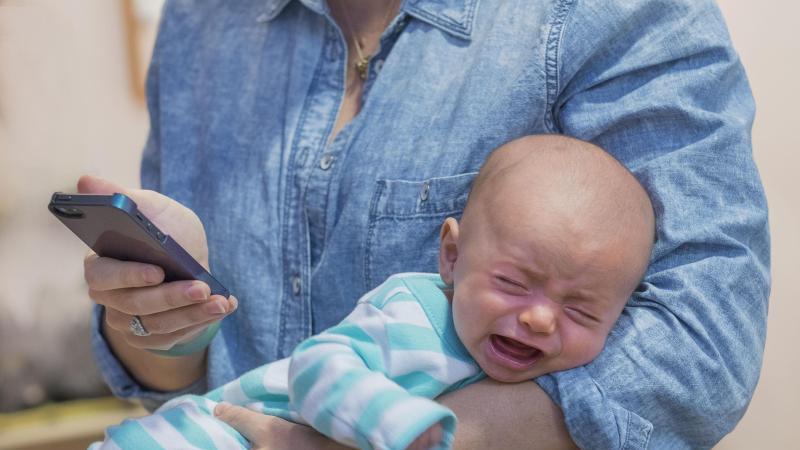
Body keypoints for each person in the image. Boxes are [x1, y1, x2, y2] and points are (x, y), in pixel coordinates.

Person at [80, 0, 770, 448]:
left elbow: (702, 348)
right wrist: (158, 320)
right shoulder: (203, 21)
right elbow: (173, 375)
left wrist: (410, 439)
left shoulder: (613, 15)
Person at [90, 135, 656, 450]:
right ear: (452, 257)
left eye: (580, 310)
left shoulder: (528, 362)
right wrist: (401, 427)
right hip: (200, 436)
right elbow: (316, 367)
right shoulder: (418, 311)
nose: (537, 318)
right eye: (512, 283)